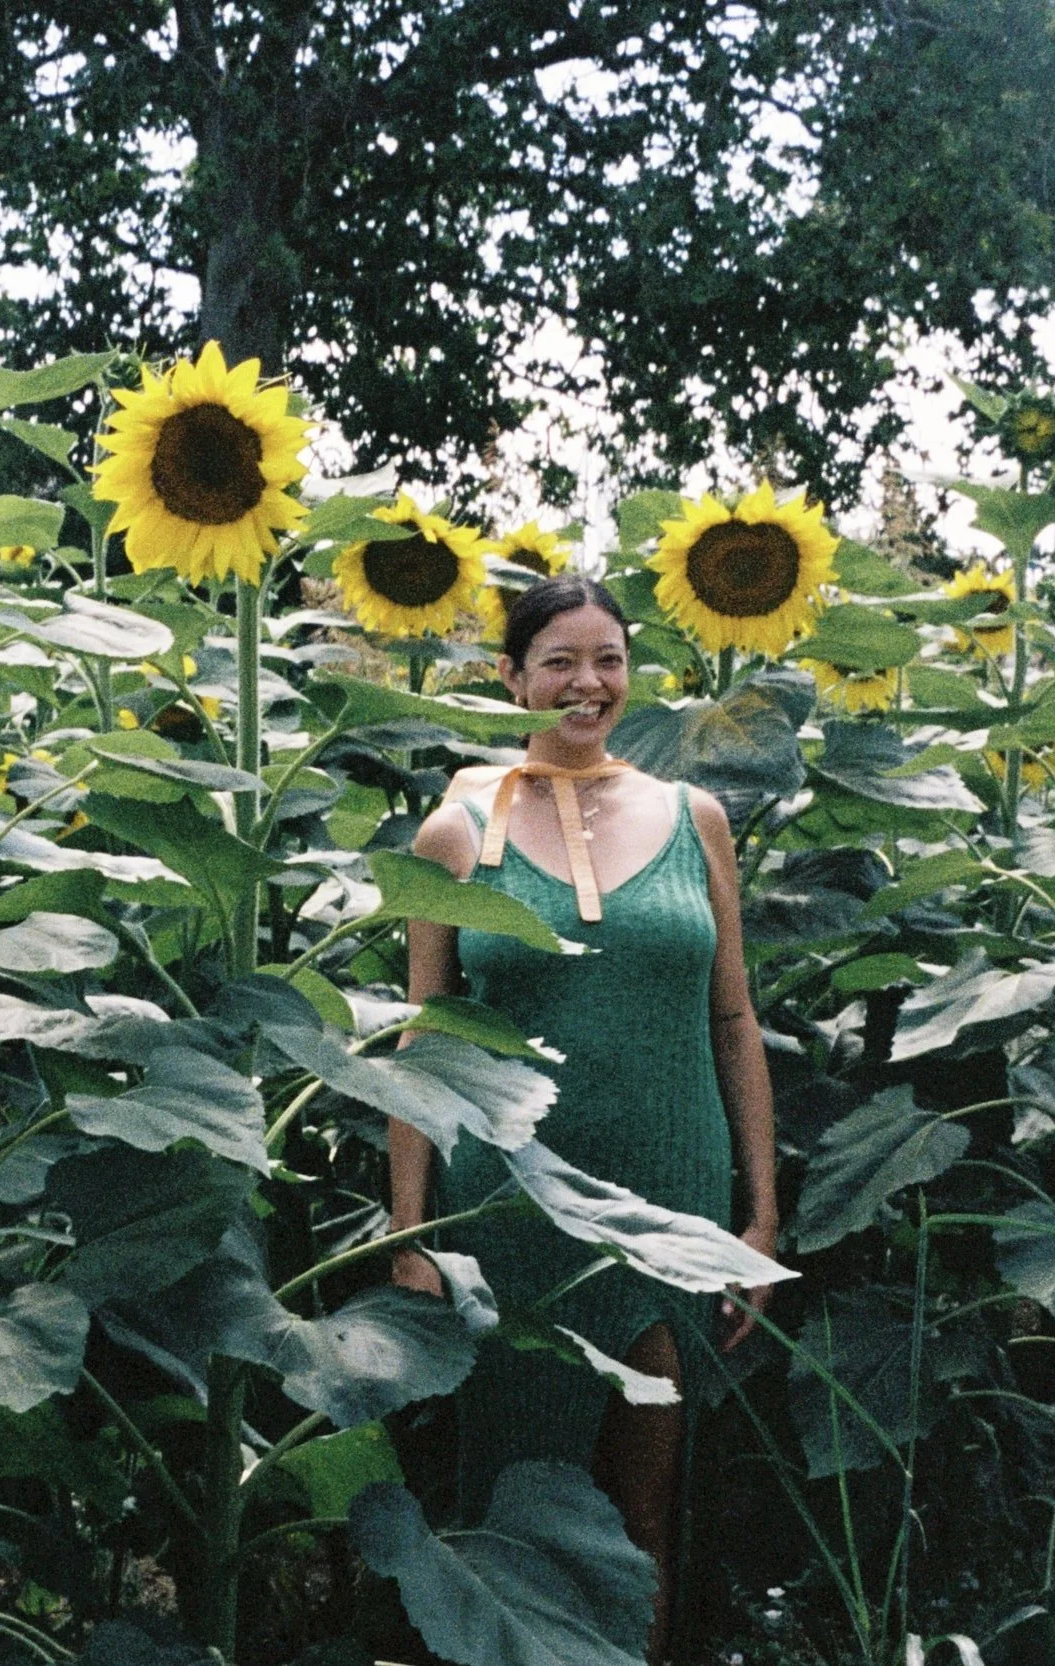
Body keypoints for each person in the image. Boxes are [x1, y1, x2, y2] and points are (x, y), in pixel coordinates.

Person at [389, 573, 781, 1658]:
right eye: (558, 660)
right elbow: (422, 1039)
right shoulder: (455, 833)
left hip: (670, 1201)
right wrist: (408, 1234)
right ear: (511, 677)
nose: (587, 682)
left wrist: (757, 1221)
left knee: (644, 1509)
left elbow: (735, 1019)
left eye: (606, 657)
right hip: (508, 1209)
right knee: (509, 1501)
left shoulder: (692, 818)